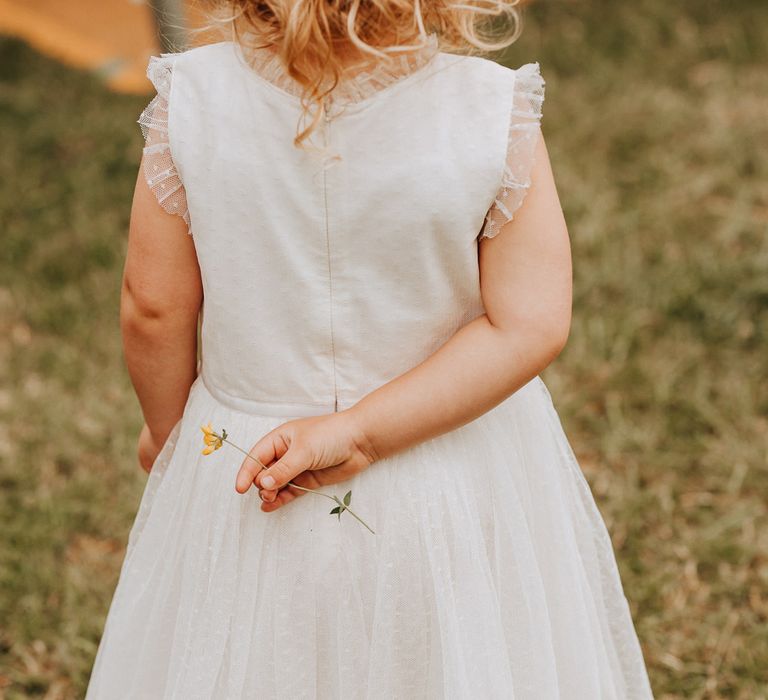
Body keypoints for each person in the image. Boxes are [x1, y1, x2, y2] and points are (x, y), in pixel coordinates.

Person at [85, 0, 655, 697]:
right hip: (449, 459)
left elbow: (153, 306)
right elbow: (529, 322)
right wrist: (359, 432)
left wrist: (173, 433)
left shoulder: (193, 100)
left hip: (251, 466)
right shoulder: (487, 111)